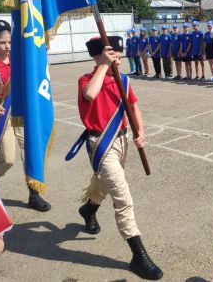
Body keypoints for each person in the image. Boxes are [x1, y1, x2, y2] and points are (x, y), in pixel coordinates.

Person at [75, 36, 163, 280]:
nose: (117, 58)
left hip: (122, 140)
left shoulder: (123, 79)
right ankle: (138, 255)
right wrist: (104, 65)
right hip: (101, 143)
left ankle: (88, 209)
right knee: (122, 196)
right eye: (111, 53)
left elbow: (133, 106)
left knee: (105, 184)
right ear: (97, 56)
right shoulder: (86, 80)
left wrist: (141, 131)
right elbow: (90, 95)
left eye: (118, 53)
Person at [0, 20, 50, 212]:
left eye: (10, 42)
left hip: (22, 112)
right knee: (8, 159)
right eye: (2, 43)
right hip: (1, 113)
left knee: (30, 154)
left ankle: (34, 195)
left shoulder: (20, 61)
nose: (8, 46)